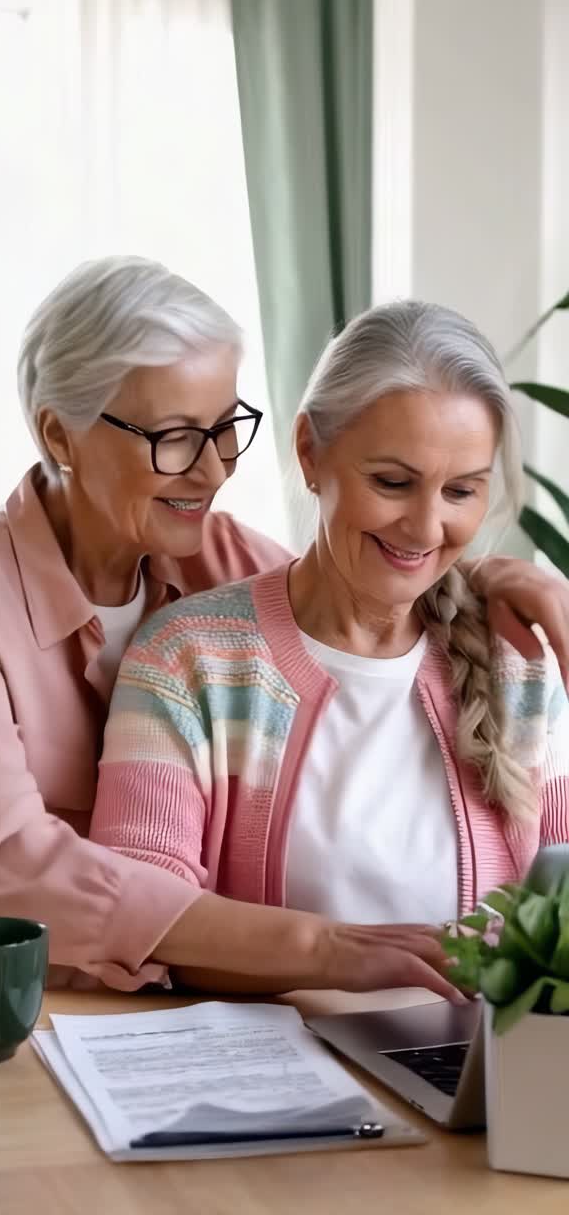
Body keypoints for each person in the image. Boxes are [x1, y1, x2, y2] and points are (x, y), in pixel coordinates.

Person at [0, 265, 566, 1005]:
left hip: (123, 1008)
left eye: (225, 429)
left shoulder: (222, 558)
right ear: (60, 433)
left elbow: (368, 581)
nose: (213, 468)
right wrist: (327, 946)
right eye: (175, 437)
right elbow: (10, 868)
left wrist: (491, 580)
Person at [90, 299, 569, 992]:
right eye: (393, 483)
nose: (425, 527)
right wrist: (337, 953)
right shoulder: (186, 658)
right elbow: (139, 913)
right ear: (310, 452)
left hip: (475, 1058)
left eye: (461, 491)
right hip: (268, 1057)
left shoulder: (518, 666)